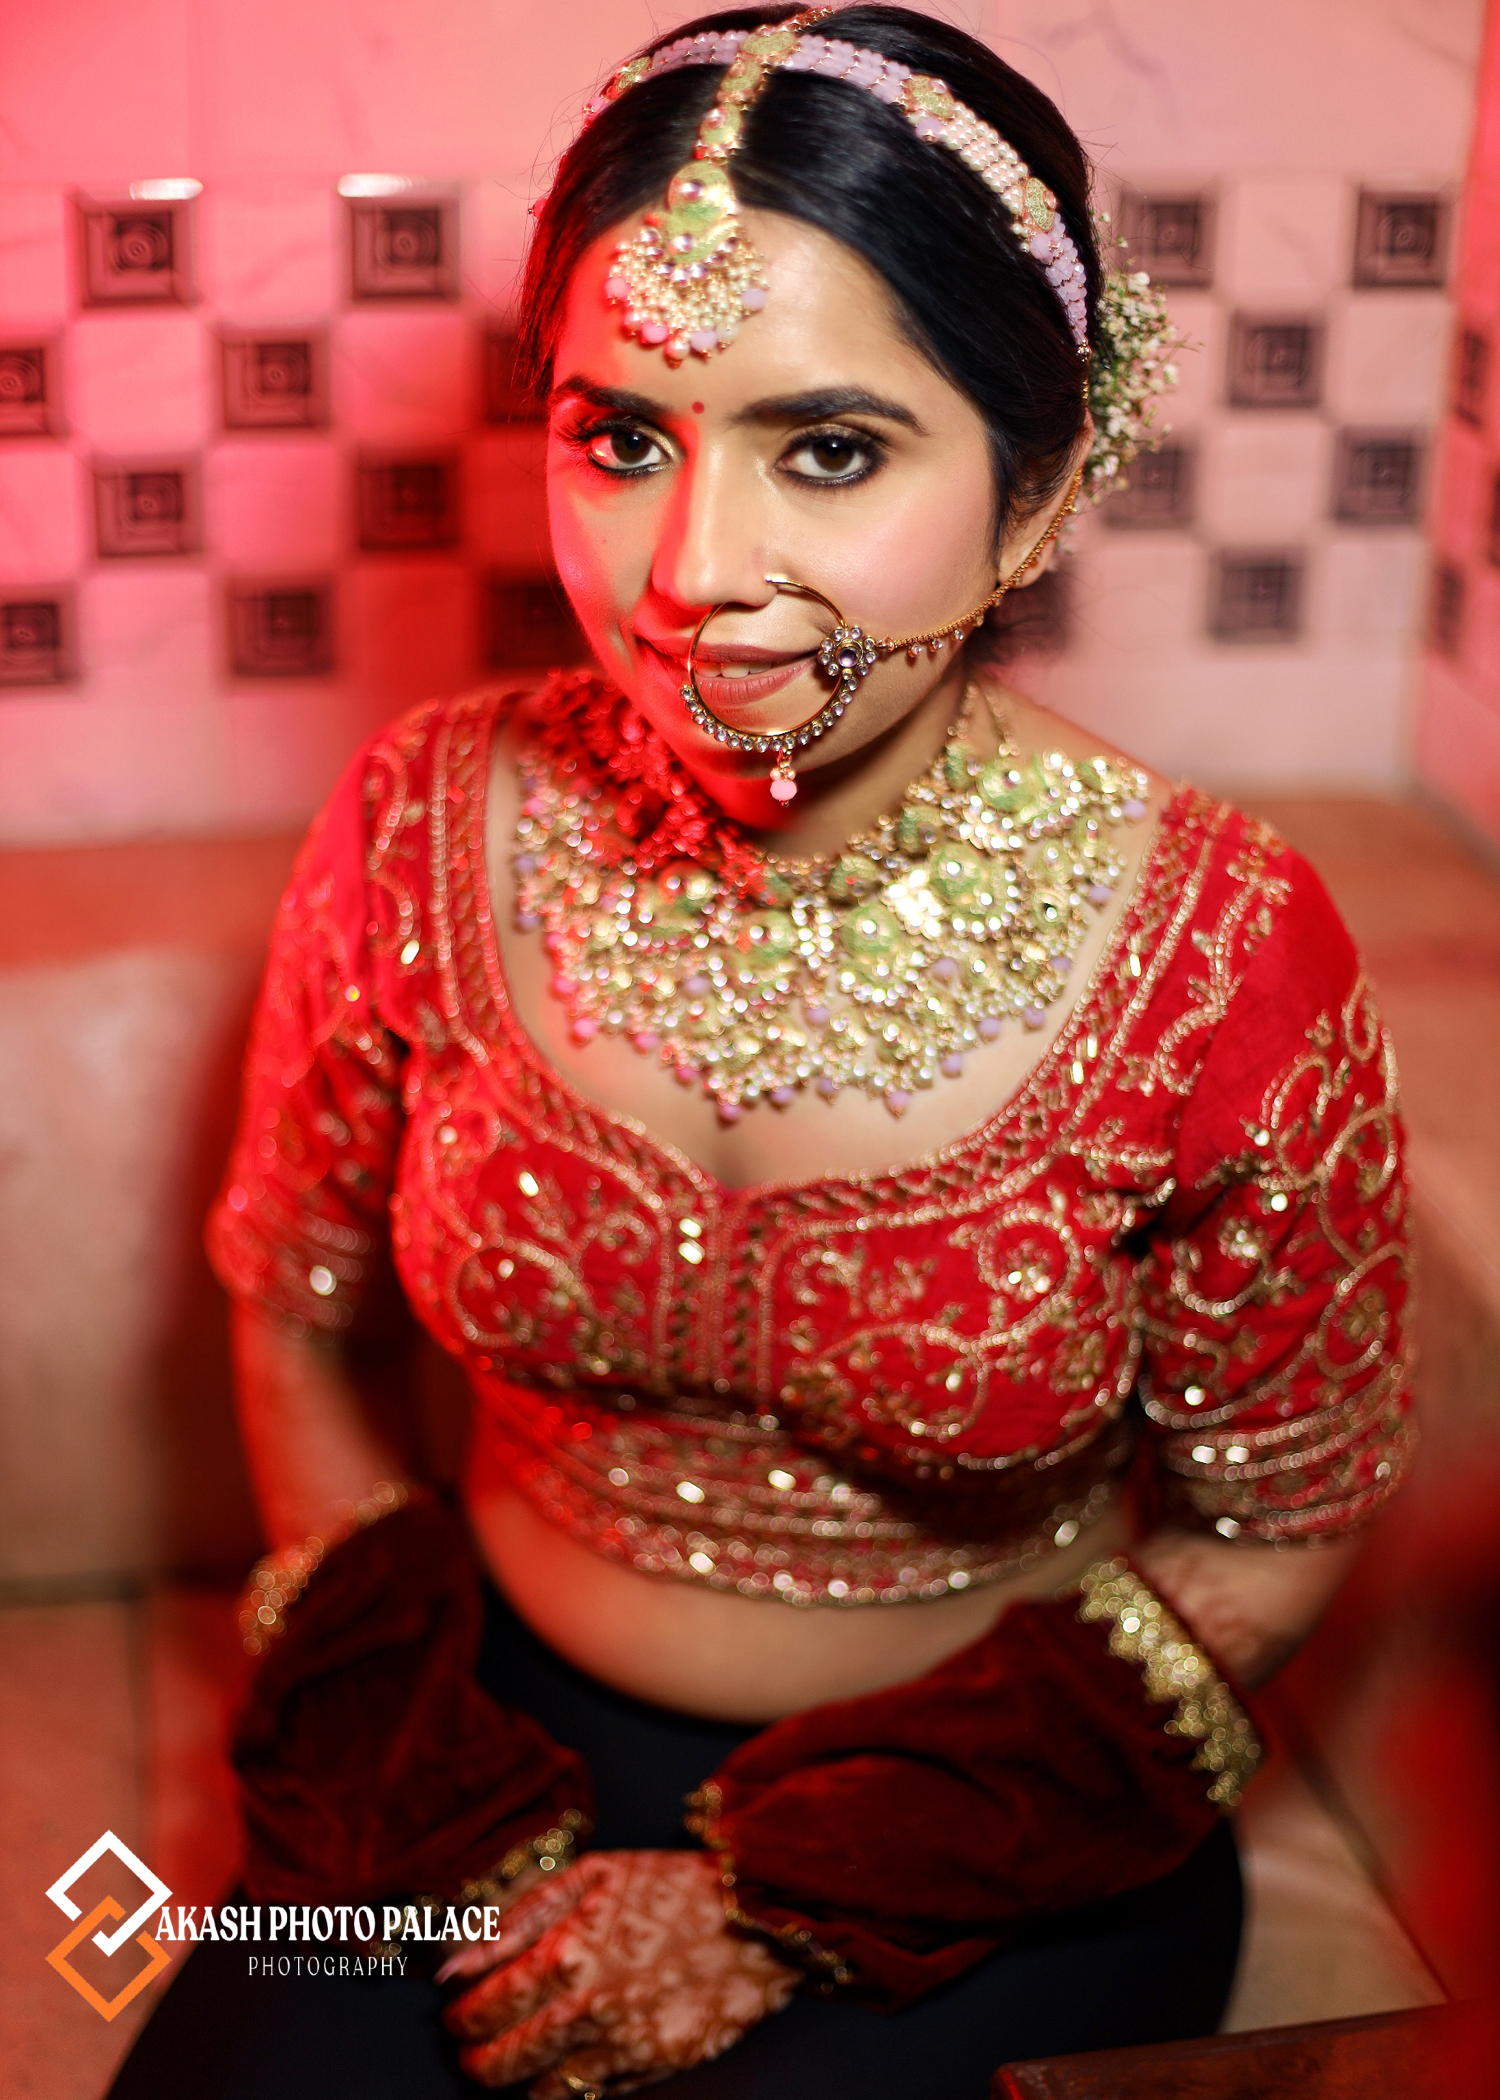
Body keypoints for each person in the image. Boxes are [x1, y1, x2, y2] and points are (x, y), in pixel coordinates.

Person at [110, 8, 1412, 2097]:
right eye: (622, 440)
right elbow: (295, 1319)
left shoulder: (1218, 950)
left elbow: (1282, 1520)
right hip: (465, 1749)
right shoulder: (422, 822)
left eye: (831, 450)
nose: (695, 576)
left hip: (995, 1819)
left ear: (1037, 491)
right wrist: (424, 1776)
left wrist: (770, 1906)